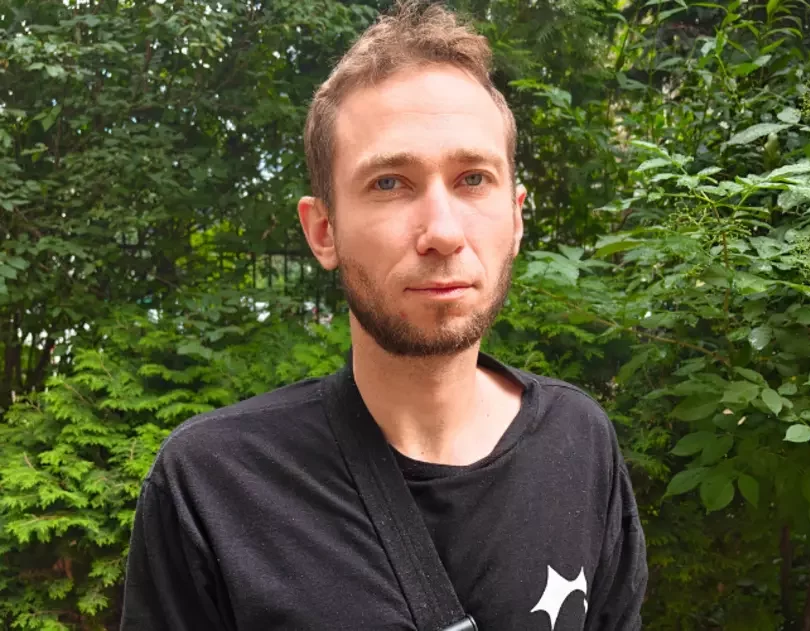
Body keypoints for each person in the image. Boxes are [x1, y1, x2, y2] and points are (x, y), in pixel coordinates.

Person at [119, 2, 648, 629]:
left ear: (516, 216)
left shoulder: (579, 441)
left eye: (473, 179)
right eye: (390, 183)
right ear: (323, 230)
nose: (442, 232)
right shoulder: (213, 486)